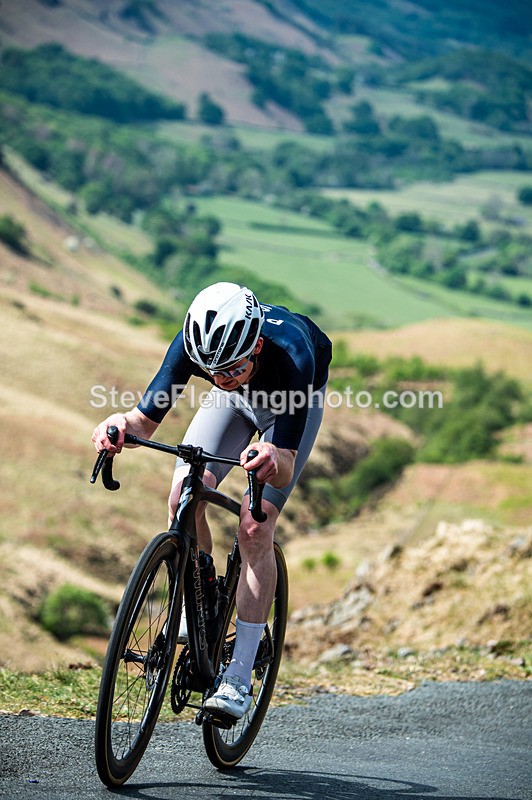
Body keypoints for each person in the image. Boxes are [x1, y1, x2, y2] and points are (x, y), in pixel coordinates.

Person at [92, 282, 332, 720]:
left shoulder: (295, 350)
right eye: (212, 372)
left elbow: (286, 463)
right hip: (234, 407)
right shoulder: (198, 349)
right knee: (184, 491)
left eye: (232, 369)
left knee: (255, 524)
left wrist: (271, 454)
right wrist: (118, 426)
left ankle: (239, 674)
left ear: (257, 346)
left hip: (289, 408)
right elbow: (143, 422)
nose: (221, 380)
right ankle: (199, 601)